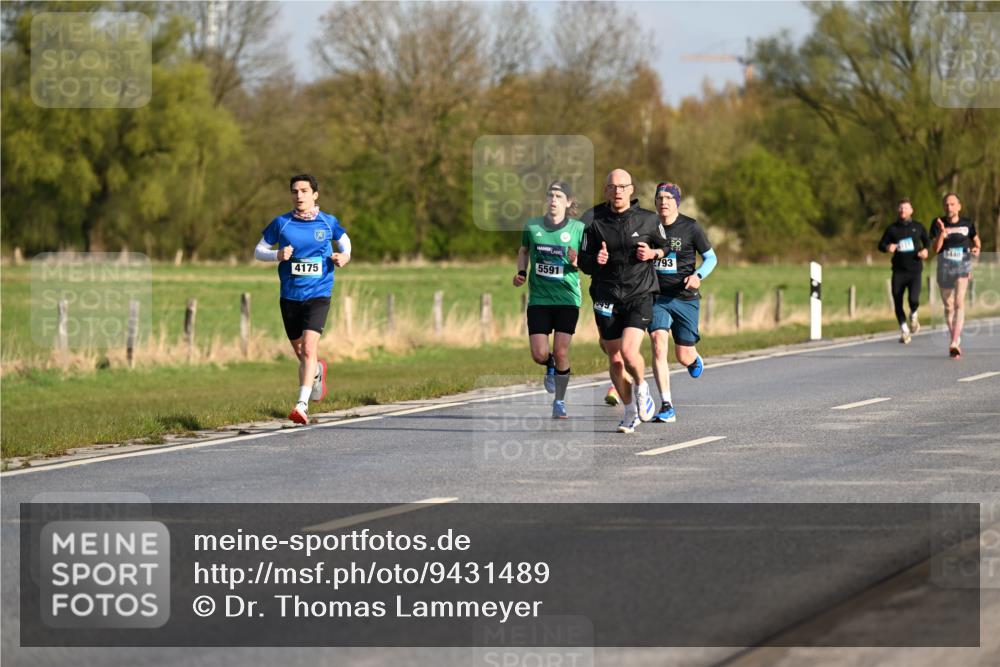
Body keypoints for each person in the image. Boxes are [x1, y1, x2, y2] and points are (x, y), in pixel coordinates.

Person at [255, 174, 351, 424]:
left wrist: (345, 257)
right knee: (301, 352)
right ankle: (317, 371)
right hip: (290, 295)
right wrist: (277, 254)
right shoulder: (282, 223)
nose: (299, 196)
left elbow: (345, 243)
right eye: (295, 191)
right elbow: (258, 250)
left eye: (304, 191)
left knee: (309, 348)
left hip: (319, 293)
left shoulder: (328, 222)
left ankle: (302, 405)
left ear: (315, 195)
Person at [579, 169, 668, 433]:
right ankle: (630, 412)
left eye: (622, 187)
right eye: (612, 187)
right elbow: (582, 260)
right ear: (605, 191)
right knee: (615, 360)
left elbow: (668, 246)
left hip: (639, 293)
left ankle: (642, 388)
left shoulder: (648, 220)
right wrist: (595, 261)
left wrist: (653, 252)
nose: (617, 191)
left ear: (631, 190)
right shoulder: (592, 219)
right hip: (605, 296)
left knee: (630, 353)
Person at [513, 181, 586, 418]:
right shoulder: (532, 226)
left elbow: (588, 261)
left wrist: (577, 262)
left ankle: (559, 402)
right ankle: (550, 365)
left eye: (558, 196)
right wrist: (522, 272)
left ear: (568, 202)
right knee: (539, 354)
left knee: (562, 351)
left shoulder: (578, 229)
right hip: (540, 299)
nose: (553, 200)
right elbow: (524, 250)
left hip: (567, 298)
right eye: (550, 195)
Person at [647, 182, 717, 422]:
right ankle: (667, 405)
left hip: (684, 298)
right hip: (656, 297)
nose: (663, 202)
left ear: (676, 201)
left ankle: (693, 357)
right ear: (655, 202)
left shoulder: (691, 228)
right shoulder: (648, 226)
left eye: (668, 197)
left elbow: (711, 258)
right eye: (660, 198)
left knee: (683, 356)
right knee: (657, 342)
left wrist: (698, 276)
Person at [931, 192, 980, 358]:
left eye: (952, 204)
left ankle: (953, 342)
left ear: (959, 207)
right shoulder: (937, 224)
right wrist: (941, 234)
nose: (949, 207)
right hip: (944, 268)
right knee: (949, 306)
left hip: (962, 267)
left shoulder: (967, 223)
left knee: (959, 301)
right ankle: (955, 337)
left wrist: (976, 249)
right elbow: (936, 250)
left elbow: (977, 241)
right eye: (946, 204)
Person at [878, 198, 929, 344]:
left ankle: (914, 315)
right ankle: (904, 330)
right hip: (898, 271)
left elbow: (927, 241)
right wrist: (887, 248)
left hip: (914, 270)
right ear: (897, 211)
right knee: (897, 301)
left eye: (905, 208)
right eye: (900, 208)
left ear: (911, 210)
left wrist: (925, 251)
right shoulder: (892, 229)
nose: (903, 211)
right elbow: (881, 244)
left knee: (913, 299)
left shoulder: (918, 227)